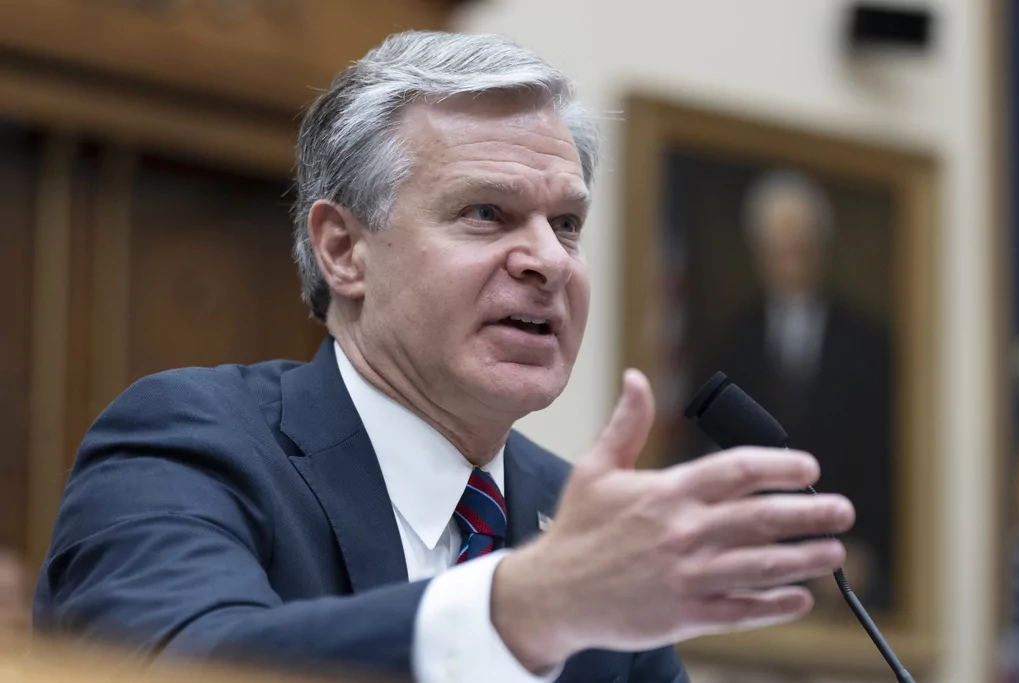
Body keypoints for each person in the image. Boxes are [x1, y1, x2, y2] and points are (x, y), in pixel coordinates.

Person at [33, 32, 855, 683]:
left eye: (566, 224)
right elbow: (176, 665)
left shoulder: (581, 521)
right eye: (487, 214)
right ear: (344, 250)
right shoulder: (191, 440)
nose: (549, 260)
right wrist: (517, 610)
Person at [690, 169, 893, 610]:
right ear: (758, 253)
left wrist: (860, 547)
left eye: (801, 248)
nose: (790, 264)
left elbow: (882, 460)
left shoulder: (867, 344)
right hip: (752, 549)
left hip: (840, 554)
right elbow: (707, 446)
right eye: (777, 250)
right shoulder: (733, 340)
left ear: (822, 248)